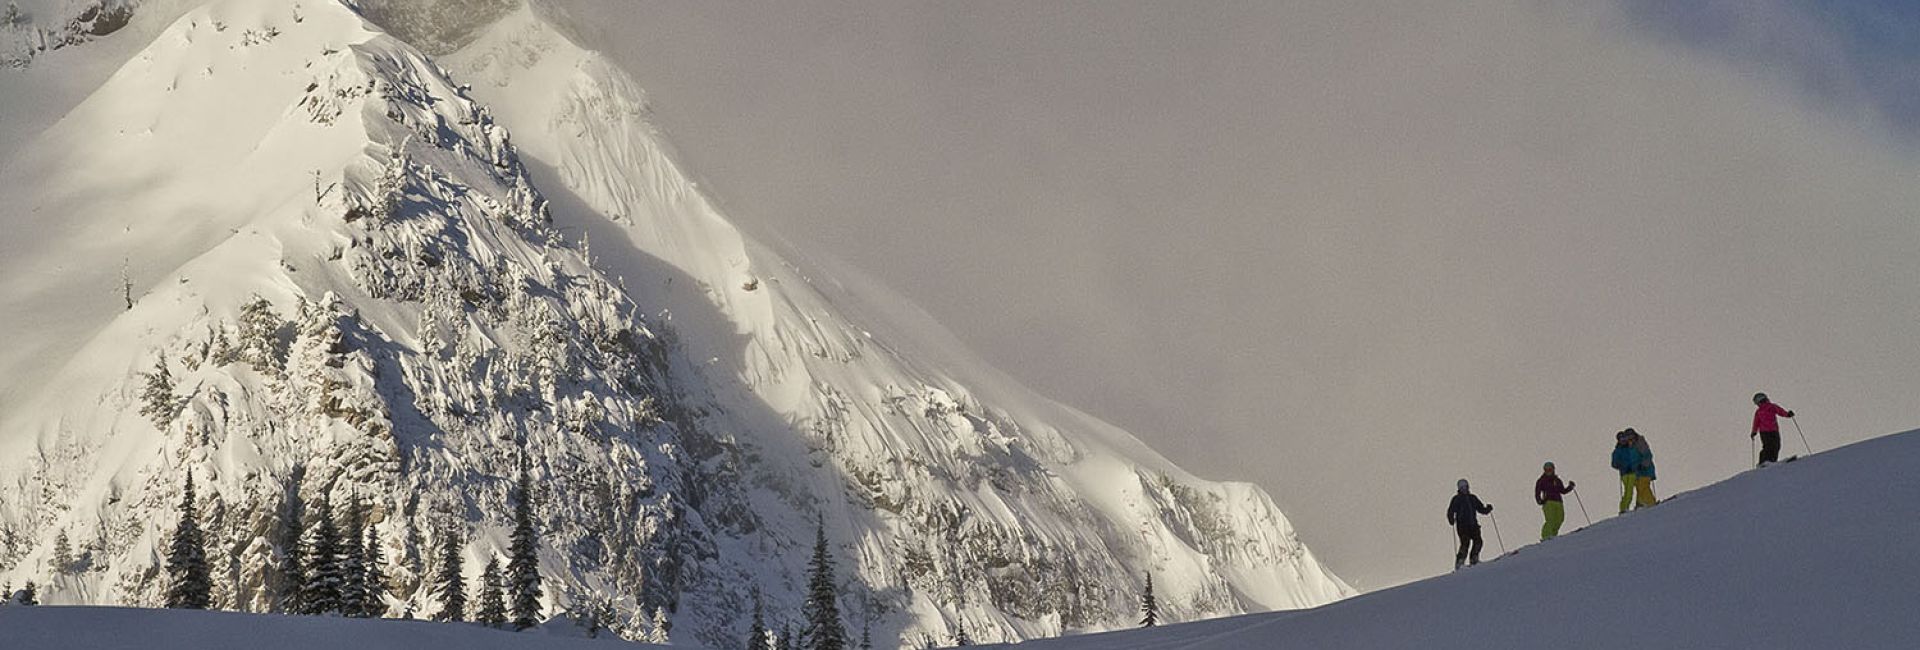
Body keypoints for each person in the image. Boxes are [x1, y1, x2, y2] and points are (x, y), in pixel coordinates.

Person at [1447, 479, 1494, 569]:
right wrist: (1451, 519)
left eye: (1465, 487)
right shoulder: (1456, 499)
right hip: (1462, 526)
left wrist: (1487, 509)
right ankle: (1460, 561)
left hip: (1473, 525)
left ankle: (1474, 559)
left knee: (1478, 541)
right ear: (1459, 489)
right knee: (1465, 543)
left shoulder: (1473, 498)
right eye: (1462, 488)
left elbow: (1480, 509)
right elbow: (1451, 510)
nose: (1464, 489)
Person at [1751, 392, 1795, 466]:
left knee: (1775, 446)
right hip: (1765, 432)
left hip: (1773, 431)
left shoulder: (1771, 407)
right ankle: (1764, 461)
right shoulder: (1759, 411)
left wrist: (1787, 414)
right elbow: (1756, 422)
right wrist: (1754, 431)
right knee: (1769, 446)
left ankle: (1771, 461)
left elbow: (1780, 411)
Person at [1534, 462, 1575, 540]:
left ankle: (1553, 535)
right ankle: (1546, 536)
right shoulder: (1542, 480)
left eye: (1550, 469)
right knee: (1551, 520)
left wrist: (1570, 487)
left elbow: (1562, 491)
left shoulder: (1557, 480)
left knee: (1560, 519)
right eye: (1546, 469)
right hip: (1548, 502)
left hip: (1558, 501)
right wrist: (1539, 500)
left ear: (1553, 469)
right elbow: (1537, 491)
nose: (1548, 471)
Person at [1626, 428, 1657, 508]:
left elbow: (1647, 455)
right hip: (1637, 472)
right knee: (1639, 487)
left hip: (1645, 470)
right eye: (1628, 437)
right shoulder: (1629, 447)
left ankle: (1651, 502)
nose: (1630, 438)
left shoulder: (1639, 443)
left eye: (1631, 436)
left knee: (1643, 486)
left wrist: (1643, 464)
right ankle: (1641, 503)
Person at [1611, 431, 1640, 514]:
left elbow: (1636, 456)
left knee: (1635, 488)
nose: (1623, 440)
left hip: (1633, 471)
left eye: (1624, 438)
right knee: (1628, 491)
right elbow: (1614, 463)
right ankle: (1624, 508)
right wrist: (1620, 465)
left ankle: (1636, 504)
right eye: (1621, 438)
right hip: (1625, 473)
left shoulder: (1631, 447)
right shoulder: (1617, 451)